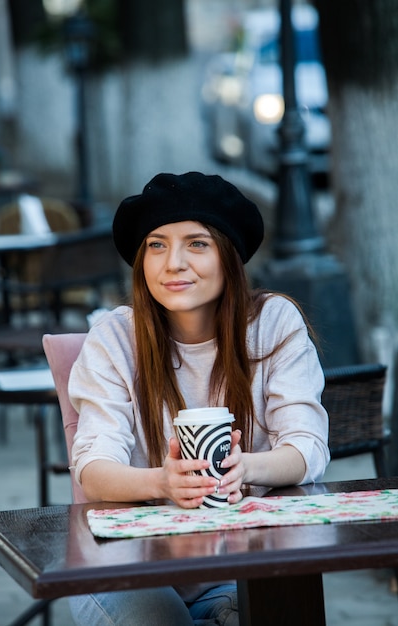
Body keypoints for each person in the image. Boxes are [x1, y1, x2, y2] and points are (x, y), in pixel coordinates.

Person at [68, 171, 330, 626]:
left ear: (228, 257)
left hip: (237, 565)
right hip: (131, 565)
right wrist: (162, 483)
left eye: (197, 243)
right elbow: (93, 466)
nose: (173, 263)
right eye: (156, 245)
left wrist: (245, 467)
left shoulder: (272, 323)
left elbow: (308, 446)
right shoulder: (114, 337)